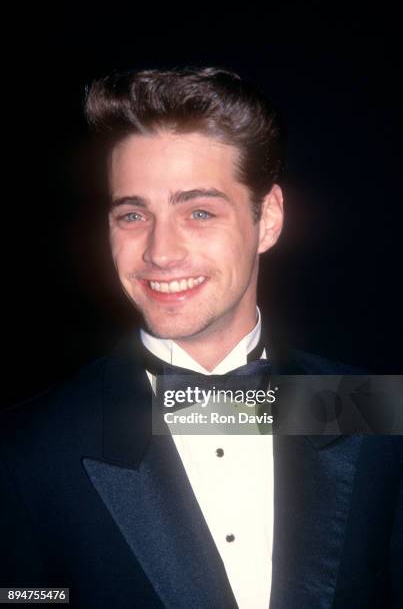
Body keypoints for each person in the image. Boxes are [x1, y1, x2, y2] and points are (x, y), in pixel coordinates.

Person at [0, 66, 401, 609]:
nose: (161, 252)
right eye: (134, 214)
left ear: (270, 219)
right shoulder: (26, 450)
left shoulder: (372, 414)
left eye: (200, 211)